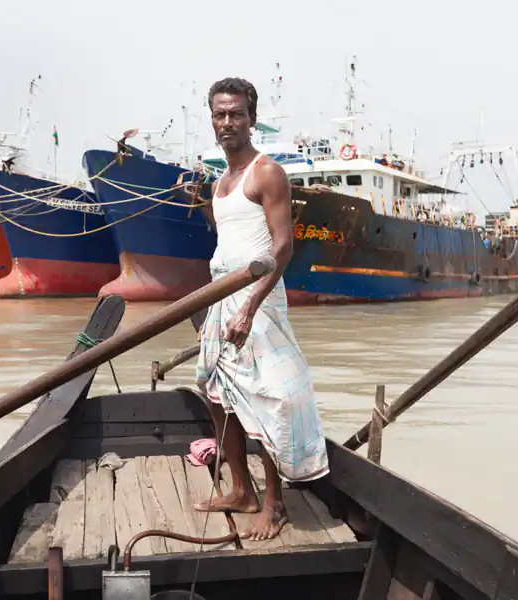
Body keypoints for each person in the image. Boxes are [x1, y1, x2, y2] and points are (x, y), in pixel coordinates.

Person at [188, 77, 330, 541]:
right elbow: (233, 235)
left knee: (272, 399)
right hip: (219, 297)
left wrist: (249, 308)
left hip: (258, 299)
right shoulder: (221, 181)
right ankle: (241, 490)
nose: (227, 122)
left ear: (252, 119)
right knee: (215, 395)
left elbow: (282, 248)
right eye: (219, 114)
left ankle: (274, 504)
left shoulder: (267, 172)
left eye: (236, 114)